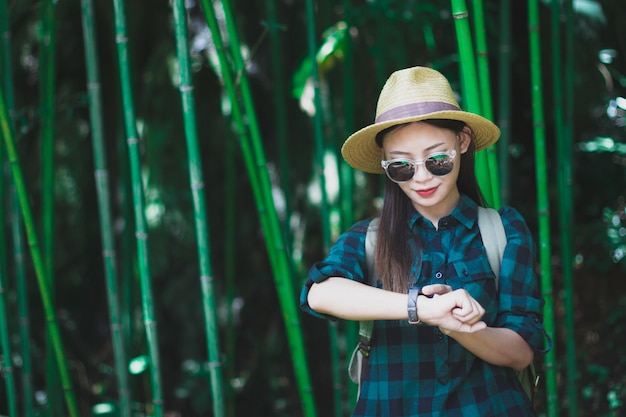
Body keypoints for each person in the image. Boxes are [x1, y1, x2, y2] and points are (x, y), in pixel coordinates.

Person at [299, 66, 547, 416]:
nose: (422, 177)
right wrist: (422, 308)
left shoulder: (503, 230)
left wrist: (458, 327)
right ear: (386, 164)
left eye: (437, 159)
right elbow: (319, 293)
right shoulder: (368, 238)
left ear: (462, 142)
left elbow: (521, 352)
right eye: (402, 166)